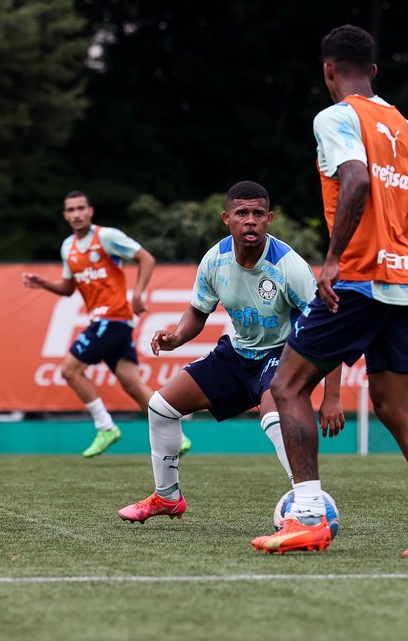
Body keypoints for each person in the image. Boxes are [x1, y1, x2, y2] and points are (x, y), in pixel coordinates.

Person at [252, 24, 408, 557]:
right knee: (396, 406)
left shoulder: (334, 117)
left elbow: (354, 181)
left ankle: (307, 516)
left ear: (329, 70)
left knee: (286, 387)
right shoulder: (403, 124)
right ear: (373, 71)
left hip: (357, 278)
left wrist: (331, 263)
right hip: (402, 283)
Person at [117, 181, 343, 523]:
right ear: (227, 219)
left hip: (283, 353)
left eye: (257, 214)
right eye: (241, 213)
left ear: (269, 219)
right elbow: (198, 310)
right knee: (161, 407)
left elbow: (328, 329)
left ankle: (306, 502)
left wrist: (332, 397)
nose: (249, 220)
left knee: (274, 416)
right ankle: (167, 497)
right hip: (238, 354)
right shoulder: (215, 260)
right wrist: (177, 337)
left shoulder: (289, 266)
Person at [22, 191, 192, 458]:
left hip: (111, 318)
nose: (76, 214)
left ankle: (105, 426)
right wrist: (43, 283)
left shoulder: (107, 237)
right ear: (65, 215)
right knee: (132, 383)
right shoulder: (68, 247)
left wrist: (137, 294)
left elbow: (146, 258)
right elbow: (68, 288)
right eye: (71, 210)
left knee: (69, 370)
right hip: (108, 322)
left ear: (90, 211)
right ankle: (177, 437)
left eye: (81, 208)